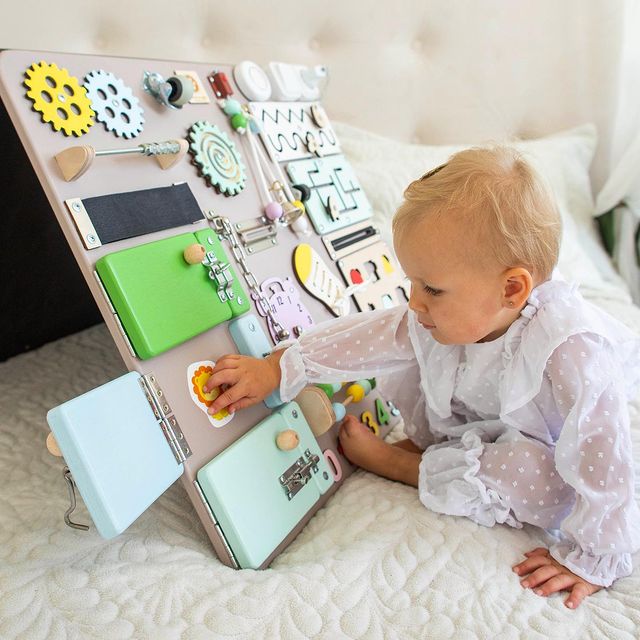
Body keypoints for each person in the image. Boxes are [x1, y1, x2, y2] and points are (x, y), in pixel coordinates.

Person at [203, 146, 640, 608]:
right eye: (412, 282)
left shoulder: (571, 348)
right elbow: (367, 338)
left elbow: (603, 452)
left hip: (539, 443)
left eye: (431, 288)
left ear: (511, 289)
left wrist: (593, 558)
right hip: (474, 414)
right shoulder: (443, 315)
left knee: (543, 477)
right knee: (413, 357)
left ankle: (402, 466)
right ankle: (430, 443)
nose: (414, 301)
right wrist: (279, 367)